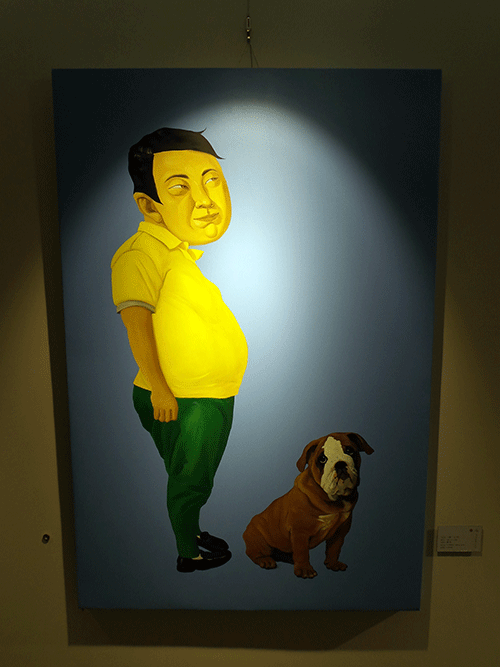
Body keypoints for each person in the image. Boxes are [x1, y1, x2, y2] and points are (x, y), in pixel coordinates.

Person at [111, 128, 248, 572]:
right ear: (149, 205)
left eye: (211, 180)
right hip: (183, 397)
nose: (205, 200)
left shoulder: (177, 256)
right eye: (179, 188)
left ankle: (190, 528)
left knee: (195, 475)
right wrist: (160, 388)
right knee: (190, 478)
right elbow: (136, 325)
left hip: (206, 396)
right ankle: (188, 553)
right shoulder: (140, 254)